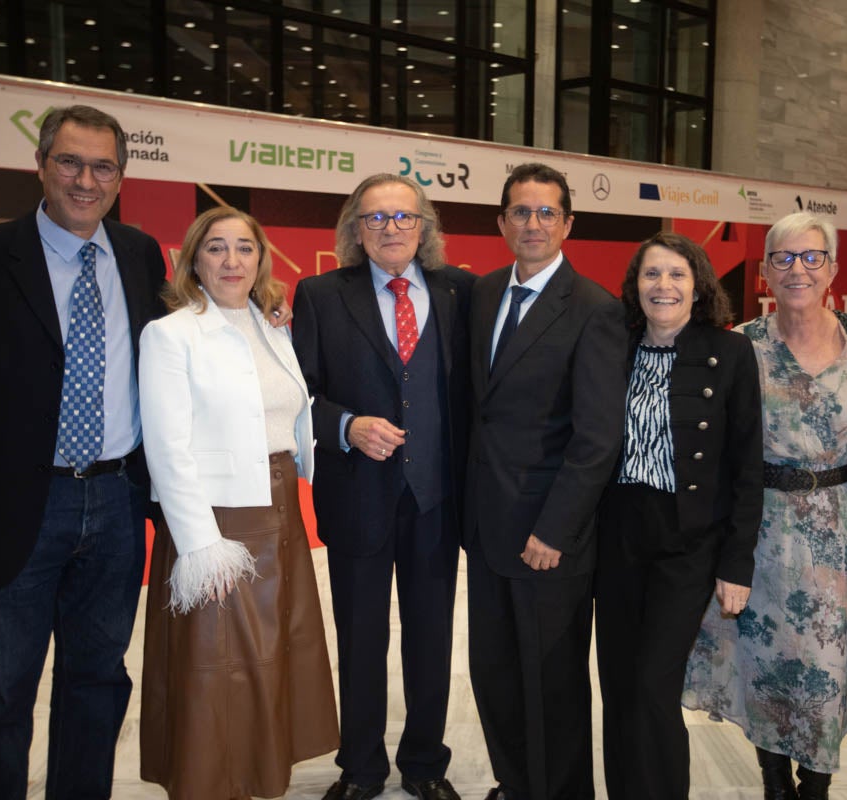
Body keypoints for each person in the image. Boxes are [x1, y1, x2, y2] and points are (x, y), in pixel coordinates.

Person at [0, 104, 167, 799]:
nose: (85, 180)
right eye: (70, 162)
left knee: (97, 684)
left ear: (121, 176)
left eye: (102, 166)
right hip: (13, 510)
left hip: (119, 504)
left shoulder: (139, 253)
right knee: (0, 695)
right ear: (40, 165)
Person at [137, 206, 340, 799]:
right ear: (194, 259)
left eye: (244, 248)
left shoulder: (271, 324)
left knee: (270, 659)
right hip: (217, 522)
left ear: (261, 258)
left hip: (279, 512)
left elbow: (288, 415)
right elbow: (168, 449)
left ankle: (256, 776)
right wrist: (201, 546)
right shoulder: (171, 334)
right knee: (215, 669)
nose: (232, 261)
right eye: (217, 248)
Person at [682, 212, 847, 800]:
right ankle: (774, 780)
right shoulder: (740, 344)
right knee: (761, 657)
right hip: (757, 525)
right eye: (785, 258)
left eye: (812, 256)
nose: (799, 269)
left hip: (834, 528)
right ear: (766, 270)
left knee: (824, 664)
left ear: (833, 268)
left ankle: (814, 784)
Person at [293, 174, 473, 800]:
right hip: (356, 498)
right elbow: (298, 397)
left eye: (403, 217)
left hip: (437, 498)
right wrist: (345, 424)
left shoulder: (462, 293)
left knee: (431, 639)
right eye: (375, 218)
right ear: (354, 229)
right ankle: (361, 766)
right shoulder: (318, 295)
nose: (391, 228)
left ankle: (425, 763)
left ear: (424, 227)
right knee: (361, 638)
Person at [465, 162, 627, 800]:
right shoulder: (481, 295)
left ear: (567, 224)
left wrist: (554, 529)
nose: (533, 223)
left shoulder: (595, 309)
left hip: (549, 536)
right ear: (502, 221)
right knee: (496, 673)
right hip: (486, 530)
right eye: (521, 212)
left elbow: (597, 438)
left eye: (546, 212)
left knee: (552, 682)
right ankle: (515, 783)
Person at [594, 232, 763, 800]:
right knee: (618, 687)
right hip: (616, 535)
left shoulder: (730, 352)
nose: (663, 286)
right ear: (634, 286)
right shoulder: (612, 344)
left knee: (652, 687)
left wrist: (737, 563)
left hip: (688, 541)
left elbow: (746, 464)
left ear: (698, 285)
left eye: (676, 275)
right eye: (650, 275)